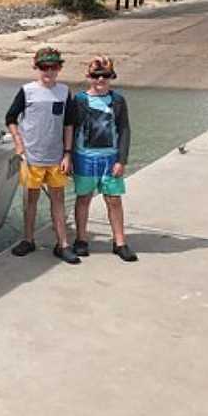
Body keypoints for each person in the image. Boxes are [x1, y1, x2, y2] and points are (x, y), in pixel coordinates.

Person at [5, 46, 80, 264]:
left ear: (59, 68)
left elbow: (69, 124)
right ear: (36, 68)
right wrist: (19, 144)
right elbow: (10, 118)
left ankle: (63, 244)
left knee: (58, 200)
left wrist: (67, 154)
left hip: (56, 158)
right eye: (44, 68)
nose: (48, 72)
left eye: (53, 67)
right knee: (30, 201)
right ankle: (28, 239)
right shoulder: (26, 91)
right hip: (31, 159)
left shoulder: (65, 92)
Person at [72, 56, 137, 262]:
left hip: (110, 159)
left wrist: (122, 160)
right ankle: (81, 239)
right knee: (83, 198)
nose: (100, 80)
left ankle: (120, 242)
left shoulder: (118, 101)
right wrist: (68, 156)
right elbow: (70, 130)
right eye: (95, 76)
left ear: (111, 77)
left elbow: (124, 130)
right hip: (84, 158)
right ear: (88, 77)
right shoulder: (79, 100)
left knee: (114, 200)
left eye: (105, 76)